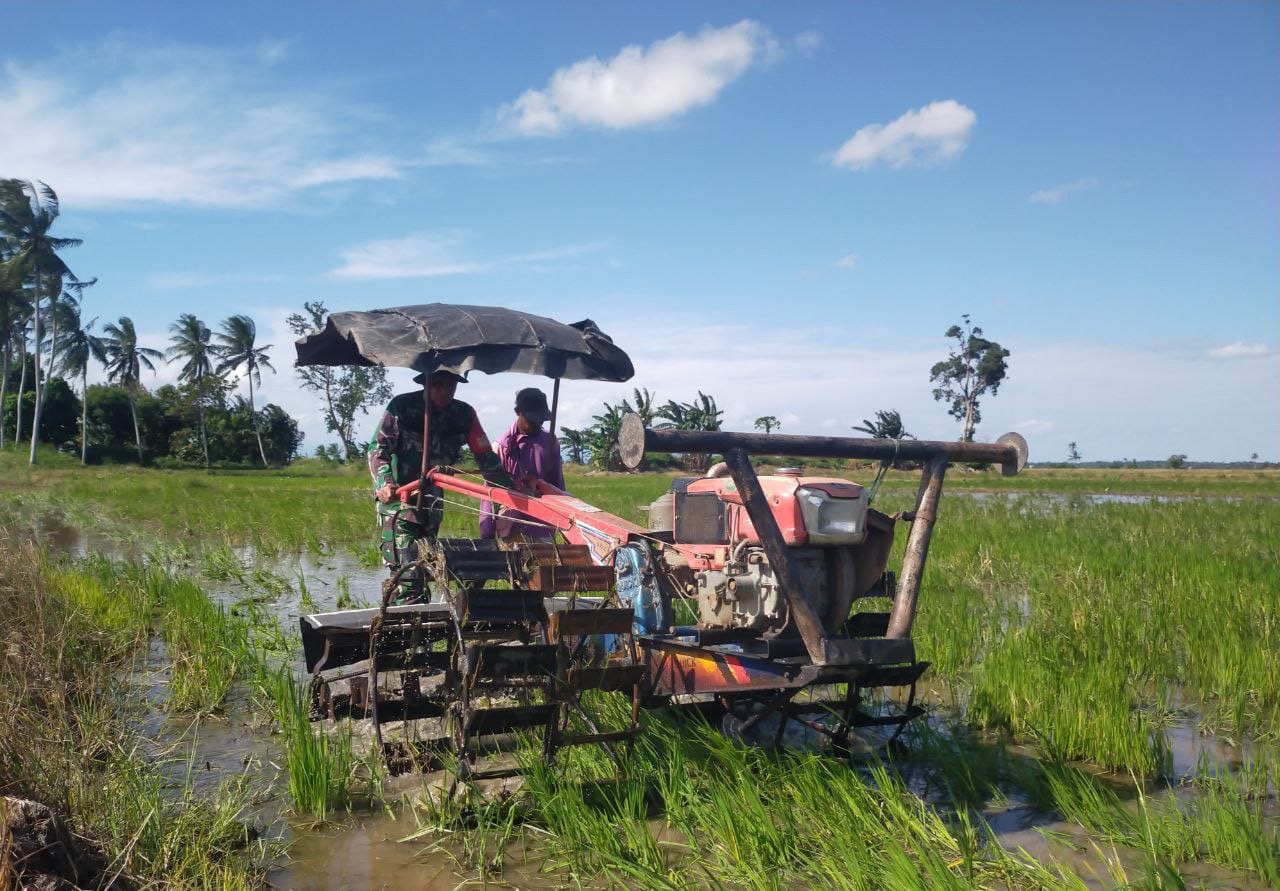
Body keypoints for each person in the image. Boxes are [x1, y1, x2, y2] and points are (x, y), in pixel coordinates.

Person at [369, 369, 508, 602]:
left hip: (432, 503)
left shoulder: (463, 414)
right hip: (399, 502)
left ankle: (416, 630)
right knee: (408, 575)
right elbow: (377, 451)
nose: (444, 391)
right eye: (438, 385)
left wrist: (509, 489)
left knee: (427, 568)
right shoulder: (401, 408)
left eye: (451, 386)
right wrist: (385, 484)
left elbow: (485, 456)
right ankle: (403, 630)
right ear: (426, 384)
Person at [480, 387, 566, 541]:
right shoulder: (501, 447)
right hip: (512, 525)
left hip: (543, 526)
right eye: (532, 419)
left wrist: (564, 518)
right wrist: (487, 532)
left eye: (540, 420)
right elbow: (489, 492)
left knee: (545, 564)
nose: (536, 424)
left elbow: (557, 484)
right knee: (512, 563)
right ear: (517, 411)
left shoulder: (550, 442)